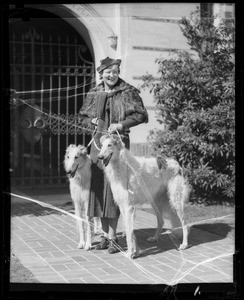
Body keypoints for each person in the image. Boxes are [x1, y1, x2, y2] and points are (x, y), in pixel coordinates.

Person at [78, 57, 148, 254]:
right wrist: (91, 120)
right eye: (108, 72)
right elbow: (82, 116)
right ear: (102, 73)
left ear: (118, 72)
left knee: (114, 191)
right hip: (97, 148)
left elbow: (142, 115)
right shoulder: (94, 92)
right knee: (100, 190)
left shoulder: (128, 91)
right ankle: (104, 236)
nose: (112, 75)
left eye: (115, 71)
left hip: (116, 148)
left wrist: (122, 124)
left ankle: (114, 236)